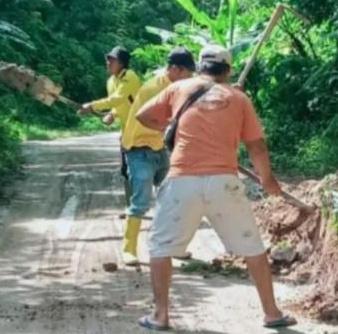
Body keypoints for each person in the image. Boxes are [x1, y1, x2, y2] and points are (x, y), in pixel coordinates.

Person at [135, 44, 296, 331]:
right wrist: (268, 180)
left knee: (160, 247)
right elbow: (257, 146)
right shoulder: (239, 98)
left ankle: (160, 316)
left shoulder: (179, 88)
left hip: (182, 181)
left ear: (200, 67)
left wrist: (172, 125)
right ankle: (272, 313)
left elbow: (143, 115)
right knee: (253, 248)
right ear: (228, 70)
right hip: (224, 183)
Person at [119, 47, 196, 267]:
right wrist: (171, 128)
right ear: (175, 69)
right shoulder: (155, 88)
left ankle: (173, 246)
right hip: (139, 148)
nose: (190, 77)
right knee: (141, 201)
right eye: (187, 72)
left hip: (159, 148)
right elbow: (146, 118)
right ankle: (128, 249)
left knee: (172, 198)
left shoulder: (177, 86)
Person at [79, 46, 141, 207]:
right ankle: (132, 208)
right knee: (126, 170)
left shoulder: (130, 77)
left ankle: (143, 206)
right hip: (126, 133)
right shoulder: (111, 81)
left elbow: (117, 98)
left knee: (142, 171)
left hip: (141, 130)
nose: (108, 63)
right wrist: (113, 114)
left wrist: (92, 106)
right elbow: (118, 104)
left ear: (122, 63)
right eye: (108, 59)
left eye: (112, 60)